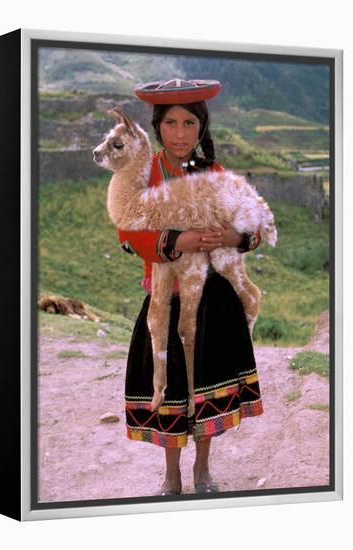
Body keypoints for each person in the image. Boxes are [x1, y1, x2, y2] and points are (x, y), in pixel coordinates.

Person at [117, 79, 263, 496]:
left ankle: (201, 468)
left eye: (189, 123)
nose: (180, 133)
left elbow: (250, 222)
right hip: (167, 298)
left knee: (206, 390)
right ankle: (171, 474)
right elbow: (127, 233)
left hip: (214, 300)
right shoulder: (142, 174)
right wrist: (175, 241)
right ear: (157, 128)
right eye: (171, 123)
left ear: (201, 128)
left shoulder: (215, 174)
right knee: (171, 394)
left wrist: (234, 238)